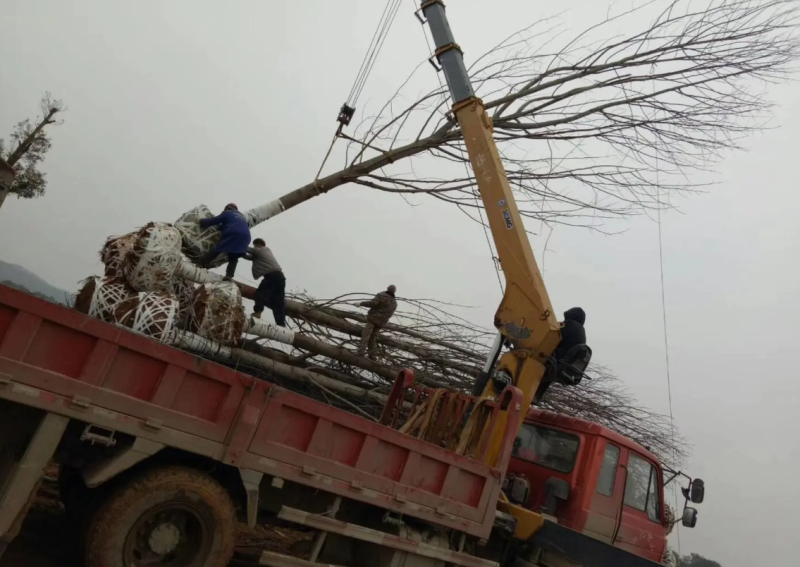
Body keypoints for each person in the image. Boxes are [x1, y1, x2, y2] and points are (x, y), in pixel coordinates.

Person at [533, 307, 587, 404]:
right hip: (563, 364)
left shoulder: (569, 325)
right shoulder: (582, 332)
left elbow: (549, 330)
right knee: (546, 376)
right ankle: (536, 396)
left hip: (555, 358)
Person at [198, 203, 251, 281]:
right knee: (233, 257)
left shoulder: (227, 213)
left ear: (227, 208)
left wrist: (202, 222)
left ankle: (200, 263)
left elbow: (214, 220)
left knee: (218, 249)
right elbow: (232, 224)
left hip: (233, 233)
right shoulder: (241, 216)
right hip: (246, 236)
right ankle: (229, 275)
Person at [246, 238, 286, 327]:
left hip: (271, 277)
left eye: (255, 244)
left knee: (260, 293)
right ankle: (281, 324)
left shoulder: (263, 250)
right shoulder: (263, 253)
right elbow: (248, 256)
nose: (255, 246)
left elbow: (248, 250)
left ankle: (258, 311)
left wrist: (236, 243)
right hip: (280, 277)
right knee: (278, 302)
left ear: (258, 244)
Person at [358, 285, 397, 358]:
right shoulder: (394, 303)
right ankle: (372, 355)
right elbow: (389, 314)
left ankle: (361, 352)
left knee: (365, 335)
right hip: (381, 323)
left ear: (387, 288)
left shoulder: (382, 295)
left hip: (373, 319)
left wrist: (360, 303)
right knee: (373, 338)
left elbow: (373, 303)